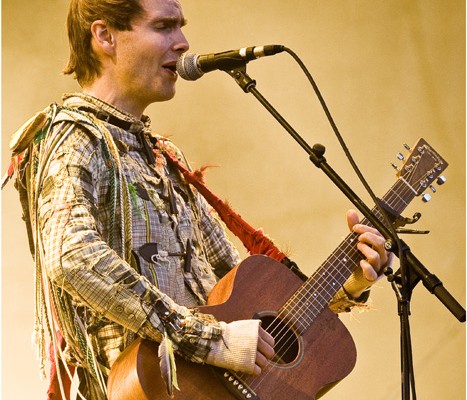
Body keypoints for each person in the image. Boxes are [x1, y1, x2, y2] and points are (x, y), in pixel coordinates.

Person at [5, 0, 393, 399]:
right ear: (105, 36)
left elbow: (243, 297)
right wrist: (209, 340)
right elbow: (72, 256)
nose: (184, 42)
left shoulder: (165, 157)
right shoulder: (72, 136)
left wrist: (347, 285)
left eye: (181, 27)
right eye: (164, 27)